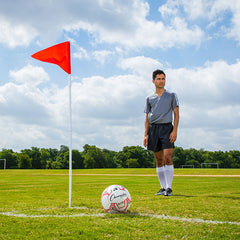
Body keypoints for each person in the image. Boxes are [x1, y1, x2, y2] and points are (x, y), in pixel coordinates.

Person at [144, 69, 179, 196]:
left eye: (163, 78)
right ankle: (162, 188)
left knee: (167, 157)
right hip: (153, 129)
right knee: (159, 160)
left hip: (167, 128)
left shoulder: (171, 95)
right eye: (158, 79)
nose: (161, 81)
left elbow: (176, 113)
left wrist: (174, 130)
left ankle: (169, 188)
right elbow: (147, 118)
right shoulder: (149, 98)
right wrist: (145, 134)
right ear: (153, 81)